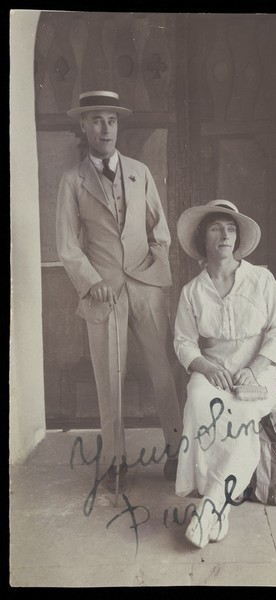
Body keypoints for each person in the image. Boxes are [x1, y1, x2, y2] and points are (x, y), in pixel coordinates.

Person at [56, 90, 182, 492]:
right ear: (83, 126)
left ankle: (178, 451)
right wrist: (92, 283)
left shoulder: (140, 172)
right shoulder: (72, 181)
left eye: (110, 120)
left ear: (118, 125)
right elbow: (67, 243)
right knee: (109, 376)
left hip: (145, 288)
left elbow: (159, 230)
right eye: (95, 120)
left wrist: (153, 270)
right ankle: (115, 461)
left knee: (163, 370)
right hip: (103, 293)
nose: (104, 128)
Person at [173, 199, 276, 548]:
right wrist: (206, 367)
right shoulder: (193, 291)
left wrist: (254, 369)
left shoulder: (260, 278)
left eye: (231, 228)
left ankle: (210, 507)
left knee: (240, 416)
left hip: (257, 372)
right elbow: (183, 341)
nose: (225, 234)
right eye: (216, 227)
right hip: (213, 369)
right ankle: (220, 508)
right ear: (202, 239)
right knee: (197, 399)